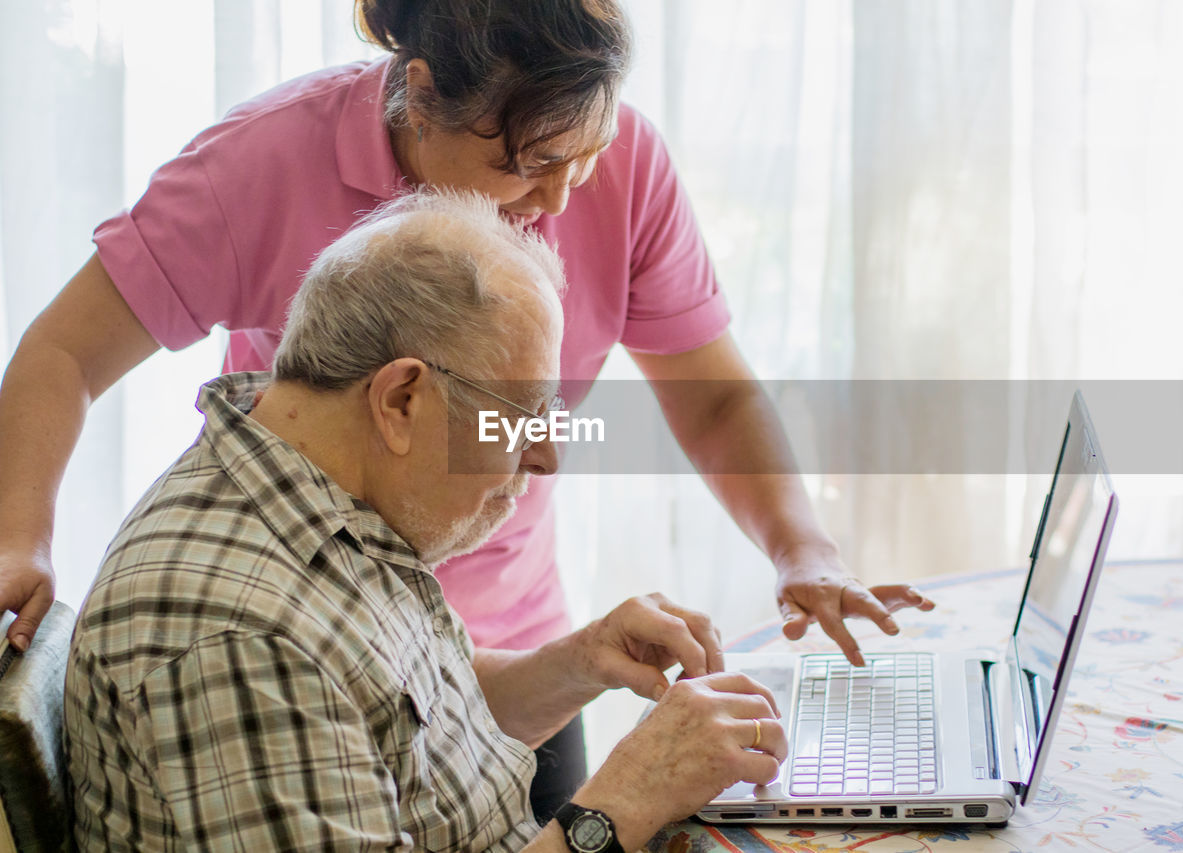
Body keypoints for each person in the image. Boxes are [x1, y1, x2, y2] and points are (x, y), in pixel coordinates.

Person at [0, 0, 933, 817]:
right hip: (320, 642)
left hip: (500, 655)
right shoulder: (259, 165)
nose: (562, 197)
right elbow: (64, 349)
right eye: (528, 164)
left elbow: (716, 394)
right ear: (419, 92)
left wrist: (799, 543)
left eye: (586, 152)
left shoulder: (618, 170)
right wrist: (21, 537)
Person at [64, 190, 789, 851]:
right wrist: (628, 794)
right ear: (402, 400)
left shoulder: (318, 484)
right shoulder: (239, 637)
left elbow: (404, 727)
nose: (544, 459)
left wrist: (582, 661)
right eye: (522, 417)